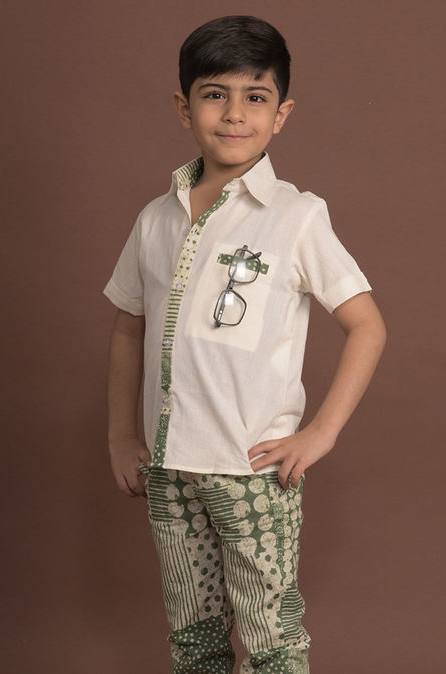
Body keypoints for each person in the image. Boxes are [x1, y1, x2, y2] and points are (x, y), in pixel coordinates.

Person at [104, 15, 386, 674]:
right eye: (214, 94)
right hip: (169, 468)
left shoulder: (296, 215)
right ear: (185, 107)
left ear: (280, 114)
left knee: (270, 638)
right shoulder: (155, 219)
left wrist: (321, 432)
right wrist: (119, 435)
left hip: (252, 471)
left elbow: (367, 326)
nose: (234, 114)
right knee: (193, 637)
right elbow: (127, 326)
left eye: (255, 97)